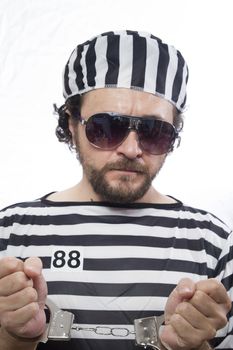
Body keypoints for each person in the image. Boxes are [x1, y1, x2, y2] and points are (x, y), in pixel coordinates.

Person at [0, 30, 232, 350]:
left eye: (154, 131)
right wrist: (13, 338)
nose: (131, 149)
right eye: (107, 127)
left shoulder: (214, 242)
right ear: (71, 123)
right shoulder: (11, 231)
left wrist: (193, 346)